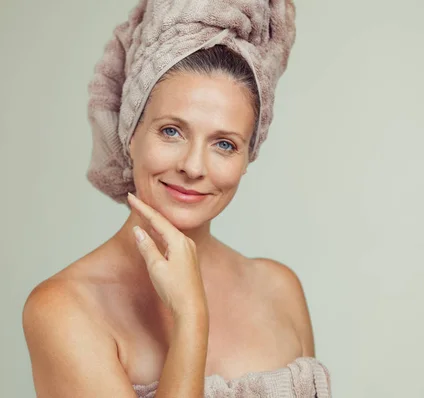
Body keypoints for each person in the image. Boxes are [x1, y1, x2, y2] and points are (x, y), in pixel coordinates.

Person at [22, 0, 331, 397]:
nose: (193, 166)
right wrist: (190, 318)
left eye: (224, 144)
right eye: (172, 131)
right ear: (131, 134)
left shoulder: (280, 288)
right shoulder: (64, 309)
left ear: (247, 158)